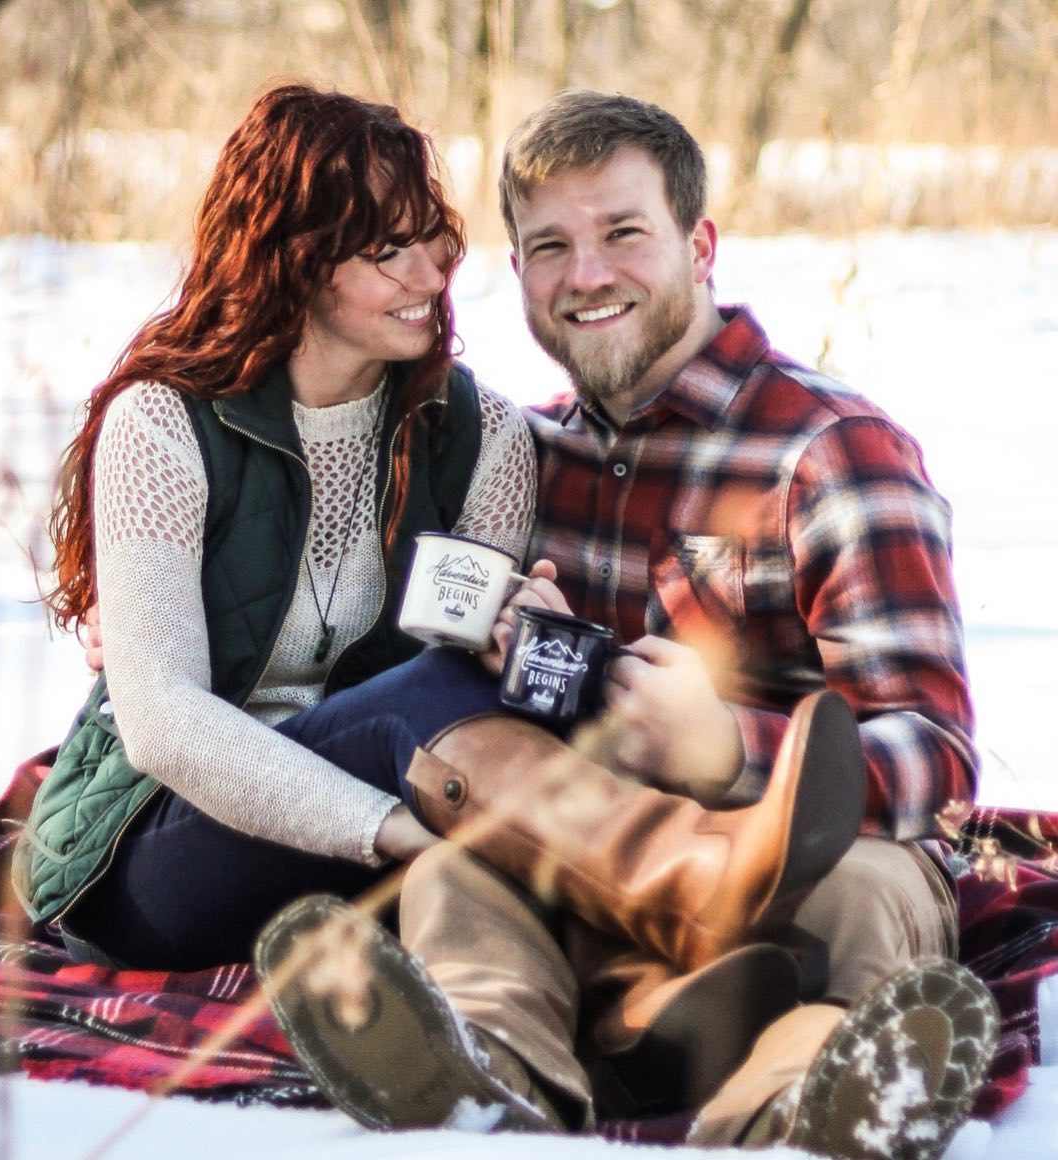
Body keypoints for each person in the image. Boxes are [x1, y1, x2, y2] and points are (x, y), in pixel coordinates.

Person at [251, 89, 999, 1159]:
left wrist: (730, 749)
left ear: (699, 245)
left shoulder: (832, 453)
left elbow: (937, 754)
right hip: (591, 861)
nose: (585, 274)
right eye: (549, 245)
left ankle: (807, 1099)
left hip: (800, 871)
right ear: (519, 277)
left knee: (868, 885)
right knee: (456, 872)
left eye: (621, 233)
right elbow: (343, 604)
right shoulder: (519, 458)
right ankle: (482, 1080)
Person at [9, 83, 539, 971]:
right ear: (292, 259)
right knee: (426, 702)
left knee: (459, 693)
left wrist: (515, 639)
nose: (432, 276)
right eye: (389, 252)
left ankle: (658, 970)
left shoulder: (484, 438)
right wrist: (397, 834)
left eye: (435, 241)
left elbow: (469, 673)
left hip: (395, 825)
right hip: (158, 843)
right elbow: (164, 723)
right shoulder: (165, 424)